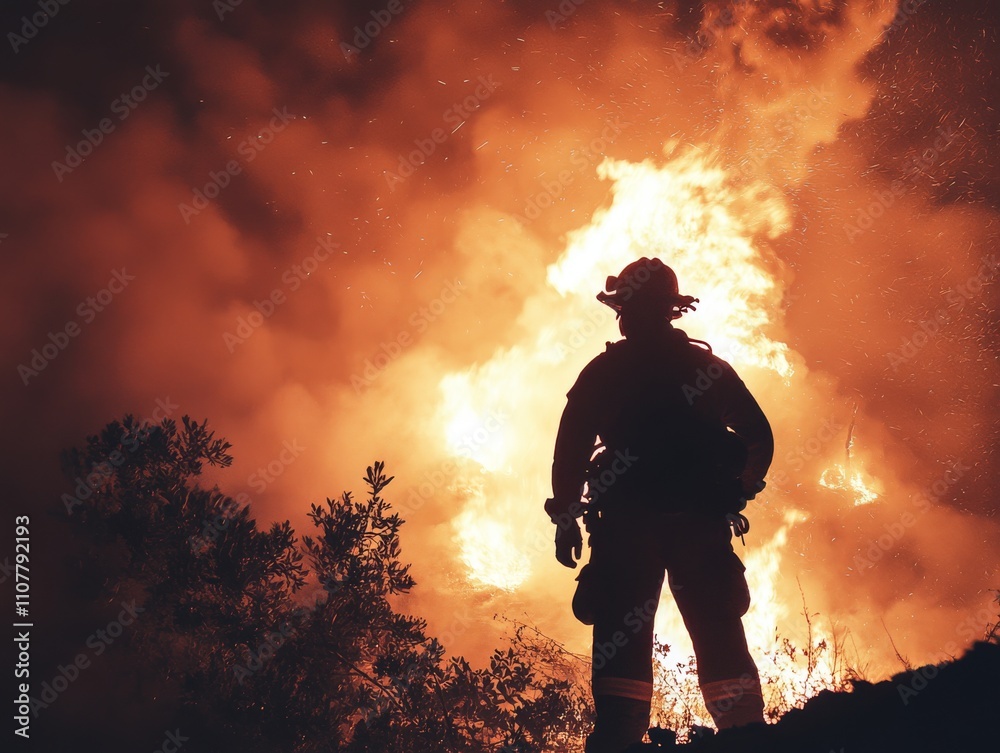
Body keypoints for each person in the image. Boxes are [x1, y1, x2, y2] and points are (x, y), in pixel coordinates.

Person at [545, 257, 774, 753]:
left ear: (628, 309)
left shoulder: (605, 372)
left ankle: (620, 743)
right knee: (718, 634)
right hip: (699, 525)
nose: (622, 318)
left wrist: (566, 517)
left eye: (623, 307)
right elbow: (758, 436)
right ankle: (745, 740)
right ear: (671, 310)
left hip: (627, 531)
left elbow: (571, 449)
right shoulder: (705, 368)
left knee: (622, 655)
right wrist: (740, 487)